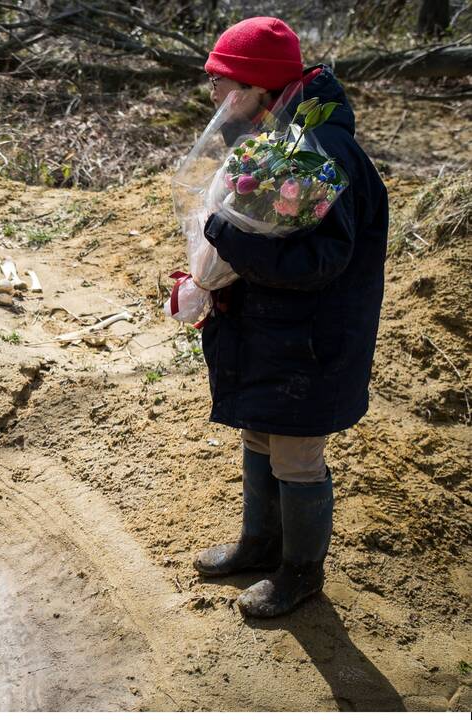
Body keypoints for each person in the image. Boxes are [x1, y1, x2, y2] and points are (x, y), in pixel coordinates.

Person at [191, 17, 389, 618]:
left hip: (310, 341)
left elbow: (320, 260)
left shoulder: (318, 152)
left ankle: (300, 573)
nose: (213, 97)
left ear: (258, 88)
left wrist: (223, 236)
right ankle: (260, 544)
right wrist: (212, 272)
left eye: (223, 83)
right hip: (269, 331)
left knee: (297, 457)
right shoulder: (275, 140)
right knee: (259, 429)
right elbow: (268, 230)